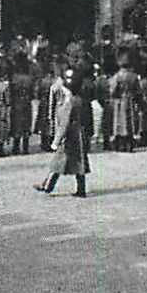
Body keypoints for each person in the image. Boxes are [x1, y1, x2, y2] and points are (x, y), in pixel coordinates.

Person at [35, 66, 89, 197]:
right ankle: (81, 189)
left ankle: (47, 186)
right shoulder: (79, 99)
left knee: (58, 161)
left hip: (68, 136)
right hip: (79, 134)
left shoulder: (67, 102)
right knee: (79, 162)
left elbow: (63, 124)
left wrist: (56, 141)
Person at [109, 51, 140, 153]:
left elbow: (113, 91)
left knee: (120, 124)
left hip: (120, 101)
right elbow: (137, 90)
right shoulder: (133, 76)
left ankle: (121, 145)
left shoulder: (117, 76)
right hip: (130, 100)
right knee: (130, 123)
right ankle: (130, 144)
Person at [8, 55, 35, 156]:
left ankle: (15, 147)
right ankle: (25, 148)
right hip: (26, 103)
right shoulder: (29, 79)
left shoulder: (14, 78)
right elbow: (32, 93)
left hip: (16, 103)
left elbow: (11, 92)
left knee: (16, 124)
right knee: (26, 124)